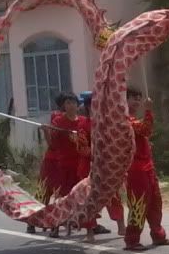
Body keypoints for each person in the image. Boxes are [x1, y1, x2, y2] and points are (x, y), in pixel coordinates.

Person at [124, 87, 169, 251]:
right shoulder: (125, 120)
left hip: (148, 167)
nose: (137, 101)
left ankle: (158, 234)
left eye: (139, 98)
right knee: (138, 204)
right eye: (134, 98)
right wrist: (148, 111)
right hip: (135, 168)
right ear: (125, 101)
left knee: (155, 202)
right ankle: (132, 239)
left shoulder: (134, 119)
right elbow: (145, 129)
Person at [75, 92, 125, 242]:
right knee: (89, 200)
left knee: (114, 196)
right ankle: (90, 231)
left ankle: (122, 226)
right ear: (89, 106)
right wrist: (96, 154)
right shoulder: (83, 125)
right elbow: (81, 148)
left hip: (107, 166)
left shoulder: (107, 123)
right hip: (89, 168)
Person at [37, 92, 80, 238]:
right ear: (63, 105)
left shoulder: (84, 121)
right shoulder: (57, 120)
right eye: (68, 103)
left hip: (77, 165)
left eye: (73, 102)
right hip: (57, 163)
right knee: (50, 192)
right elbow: (53, 144)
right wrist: (46, 132)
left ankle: (81, 223)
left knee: (77, 196)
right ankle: (46, 223)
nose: (71, 105)